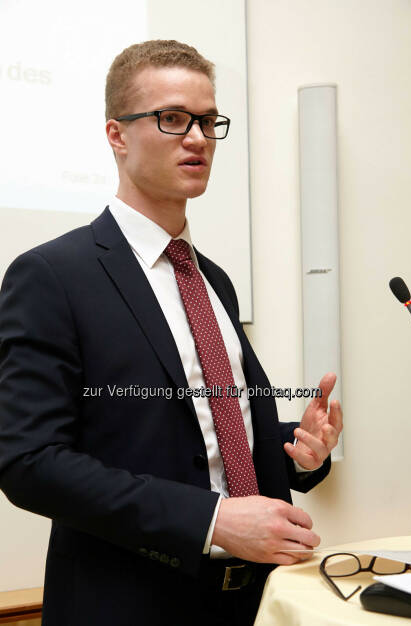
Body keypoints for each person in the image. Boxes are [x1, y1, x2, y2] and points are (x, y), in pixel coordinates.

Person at [0, 40, 343, 626]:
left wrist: (298, 450)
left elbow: (205, 435)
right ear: (116, 135)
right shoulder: (51, 276)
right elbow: (29, 462)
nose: (198, 138)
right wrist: (211, 520)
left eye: (208, 121)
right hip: (129, 604)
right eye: (174, 118)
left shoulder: (214, 280)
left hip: (254, 599)